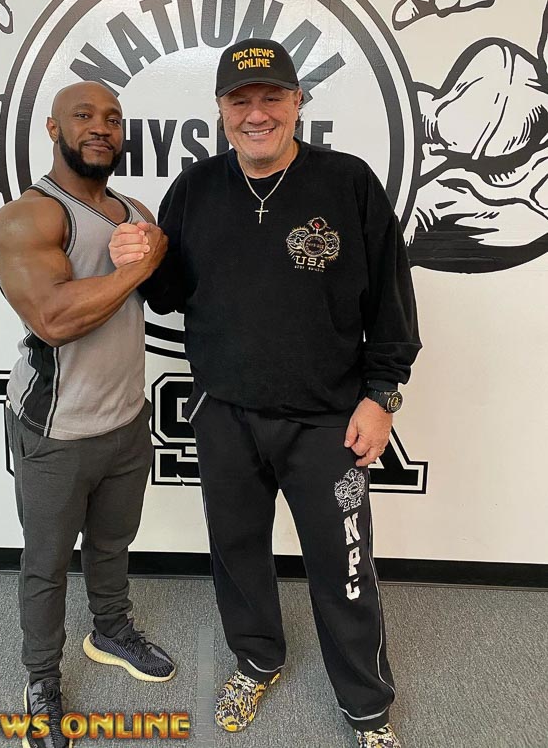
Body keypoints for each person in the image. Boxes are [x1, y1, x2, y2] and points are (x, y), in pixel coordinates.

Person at [109, 39, 421, 748]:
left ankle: (366, 706)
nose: (257, 114)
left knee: (343, 568)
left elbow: (391, 300)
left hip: (328, 422)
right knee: (237, 552)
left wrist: (382, 395)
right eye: (240, 99)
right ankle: (256, 660)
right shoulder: (195, 188)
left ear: (297, 102)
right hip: (225, 414)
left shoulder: (347, 182)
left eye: (272, 97)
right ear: (220, 109)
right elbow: (169, 294)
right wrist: (138, 260)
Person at [0, 80, 174, 748]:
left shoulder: (133, 211)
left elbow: (161, 294)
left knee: (112, 542)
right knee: (46, 563)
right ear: (53, 128)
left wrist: (158, 255)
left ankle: (111, 630)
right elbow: (53, 317)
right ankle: (41, 681)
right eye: (84, 116)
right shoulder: (30, 217)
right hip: (57, 427)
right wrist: (137, 268)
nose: (100, 127)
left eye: (112, 118)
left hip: (125, 418)